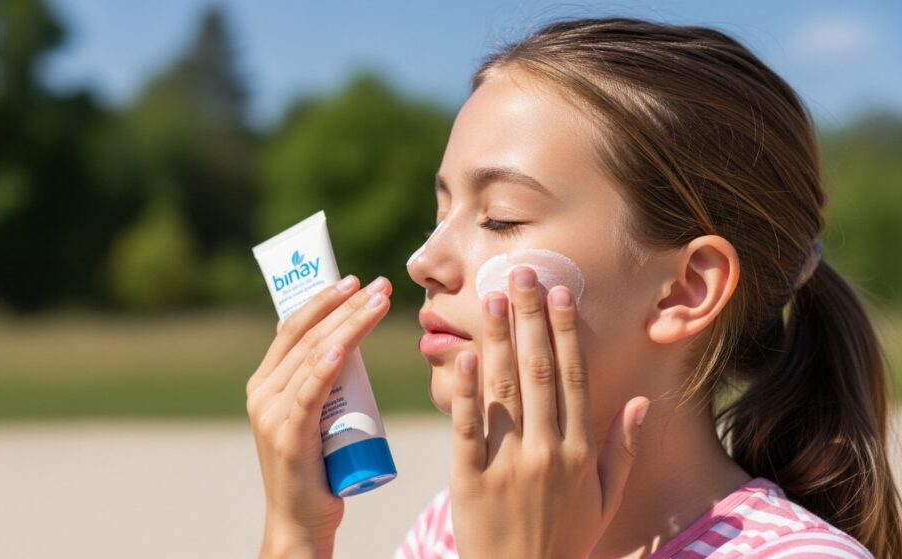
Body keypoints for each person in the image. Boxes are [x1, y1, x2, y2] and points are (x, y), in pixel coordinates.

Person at [245, 17, 901, 558]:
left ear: (686, 289)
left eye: (501, 217)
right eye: (439, 214)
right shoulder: (451, 528)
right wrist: (297, 532)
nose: (424, 262)